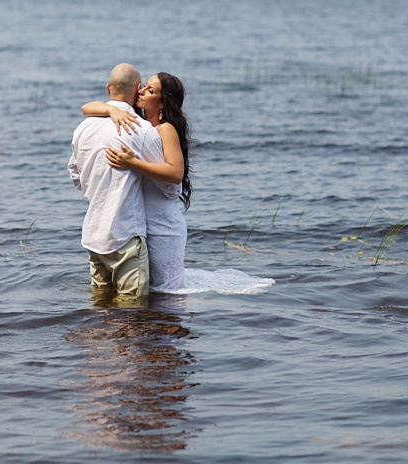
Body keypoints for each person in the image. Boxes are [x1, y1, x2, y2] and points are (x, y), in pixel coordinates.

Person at [83, 72, 276, 295]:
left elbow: (175, 173)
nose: (142, 91)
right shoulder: (137, 124)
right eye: (144, 87)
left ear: (163, 102)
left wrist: (133, 163)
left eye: (151, 90)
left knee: (168, 294)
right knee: (149, 291)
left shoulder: (165, 129)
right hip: (140, 224)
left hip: (162, 226)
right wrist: (111, 109)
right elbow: (87, 108)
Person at [68, 63, 175, 300]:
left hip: (94, 234)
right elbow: (169, 187)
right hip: (124, 233)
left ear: (108, 88)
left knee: (101, 308)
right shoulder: (140, 129)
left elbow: (76, 176)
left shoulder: (82, 129)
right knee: (132, 312)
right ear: (138, 89)